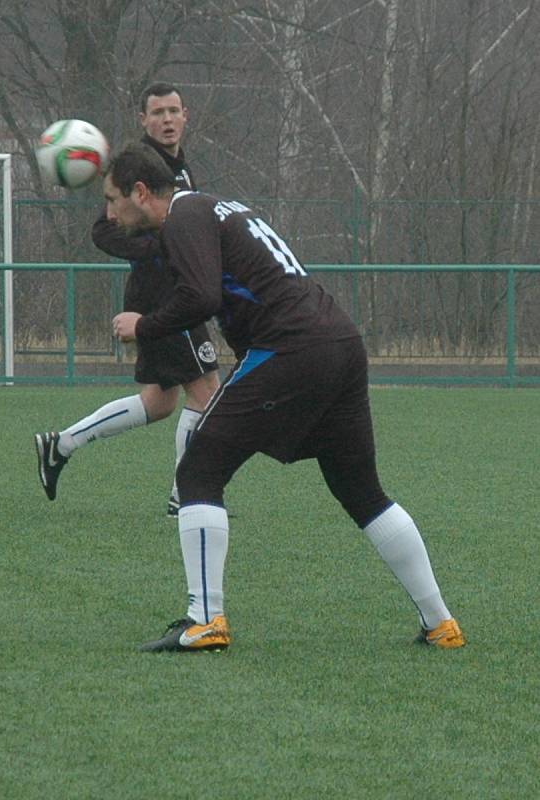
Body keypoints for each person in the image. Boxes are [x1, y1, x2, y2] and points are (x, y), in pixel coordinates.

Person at [106, 143, 466, 653]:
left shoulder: (183, 216)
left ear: (142, 193)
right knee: (363, 492)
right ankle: (441, 623)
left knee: (198, 470)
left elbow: (202, 297)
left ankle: (204, 620)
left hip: (292, 347)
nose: (109, 211)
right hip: (339, 341)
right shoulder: (211, 206)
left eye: (113, 199)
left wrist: (144, 325)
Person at [34, 83, 219, 516]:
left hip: (166, 293)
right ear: (143, 120)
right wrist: (162, 248)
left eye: (174, 111)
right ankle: (186, 496)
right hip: (166, 297)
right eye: (158, 113)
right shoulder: (140, 165)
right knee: (207, 393)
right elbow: (103, 230)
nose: (167, 120)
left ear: (186, 116)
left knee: (159, 402)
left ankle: (61, 445)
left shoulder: (177, 165)